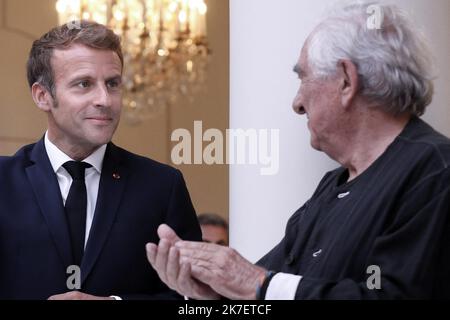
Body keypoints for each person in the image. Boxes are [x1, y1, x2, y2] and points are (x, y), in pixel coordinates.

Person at [146, 1, 450, 300]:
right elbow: (261, 288)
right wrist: (213, 295)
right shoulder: (332, 186)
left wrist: (255, 284)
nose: (297, 102)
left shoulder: (435, 170)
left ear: (346, 80)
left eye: (303, 77)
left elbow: (395, 294)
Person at [0, 21, 201, 300]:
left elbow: (195, 298)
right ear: (43, 96)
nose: (105, 99)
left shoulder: (162, 186)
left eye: (113, 84)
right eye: (84, 84)